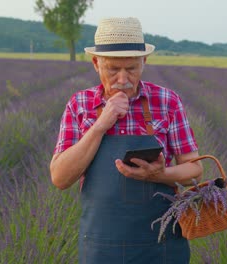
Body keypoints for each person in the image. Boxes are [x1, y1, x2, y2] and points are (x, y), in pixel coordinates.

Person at [50, 17, 203, 263]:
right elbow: (60, 178)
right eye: (112, 69)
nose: (123, 79)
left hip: (161, 246)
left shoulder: (167, 102)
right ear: (95, 63)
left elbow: (195, 171)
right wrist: (100, 126)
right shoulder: (79, 105)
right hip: (101, 246)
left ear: (144, 61)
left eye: (131, 68)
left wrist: (159, 175)